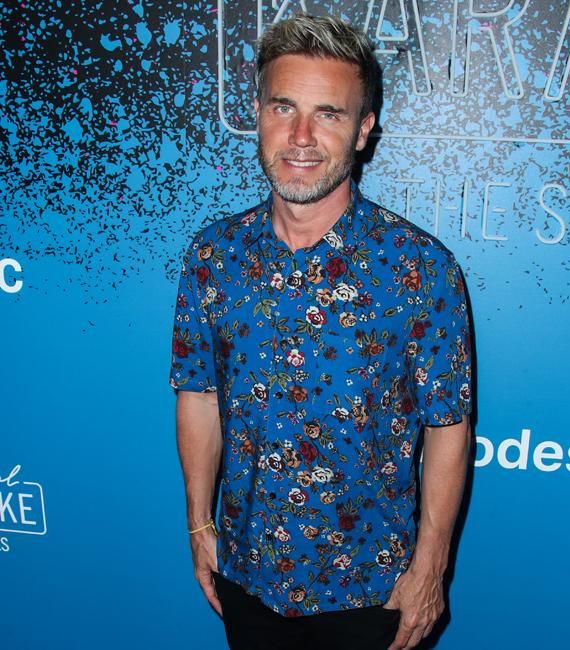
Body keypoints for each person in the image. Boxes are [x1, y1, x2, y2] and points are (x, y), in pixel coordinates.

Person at [170, 14, 472, 650]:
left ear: (362, 129)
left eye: (328, 114)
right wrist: (200, 526)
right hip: (247, 576)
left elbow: (447, 425)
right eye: (284, 107)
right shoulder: (213, 256)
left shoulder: (421, 268)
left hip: (373, 589)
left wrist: (431, 566)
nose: (301, 136)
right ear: (258, 113)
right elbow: (198, 394)